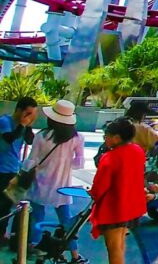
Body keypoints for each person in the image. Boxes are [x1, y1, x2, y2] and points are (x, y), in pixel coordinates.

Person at [24, 100, 85, 263]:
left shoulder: (41, 136)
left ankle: (36, 249)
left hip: (40, 185)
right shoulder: (77, 138)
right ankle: (75, 255)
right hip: (62, 187)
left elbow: (31, 161)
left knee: (37, 218)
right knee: (67, 222)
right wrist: (64, 163)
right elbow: (79, 164)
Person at [90, 118, 146, 264]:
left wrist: (93, 193)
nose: (105, 139)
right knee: (120, 243)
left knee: (113, 247)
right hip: (131, 204)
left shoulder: (110, 157)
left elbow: (100, 185)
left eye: (106, 136)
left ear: (116, 138)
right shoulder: (137, 150)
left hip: (114, 208)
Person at [0, 97, 36, 243]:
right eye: (27, 113)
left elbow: (30, 140)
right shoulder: (4, 121)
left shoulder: (24, 125)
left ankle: (2, 235)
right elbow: (9, 138)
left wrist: (27, 125)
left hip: (13, 169)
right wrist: (22, 124)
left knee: (7, 204)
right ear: (19, 110)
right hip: (1, 169)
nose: (29, 117)